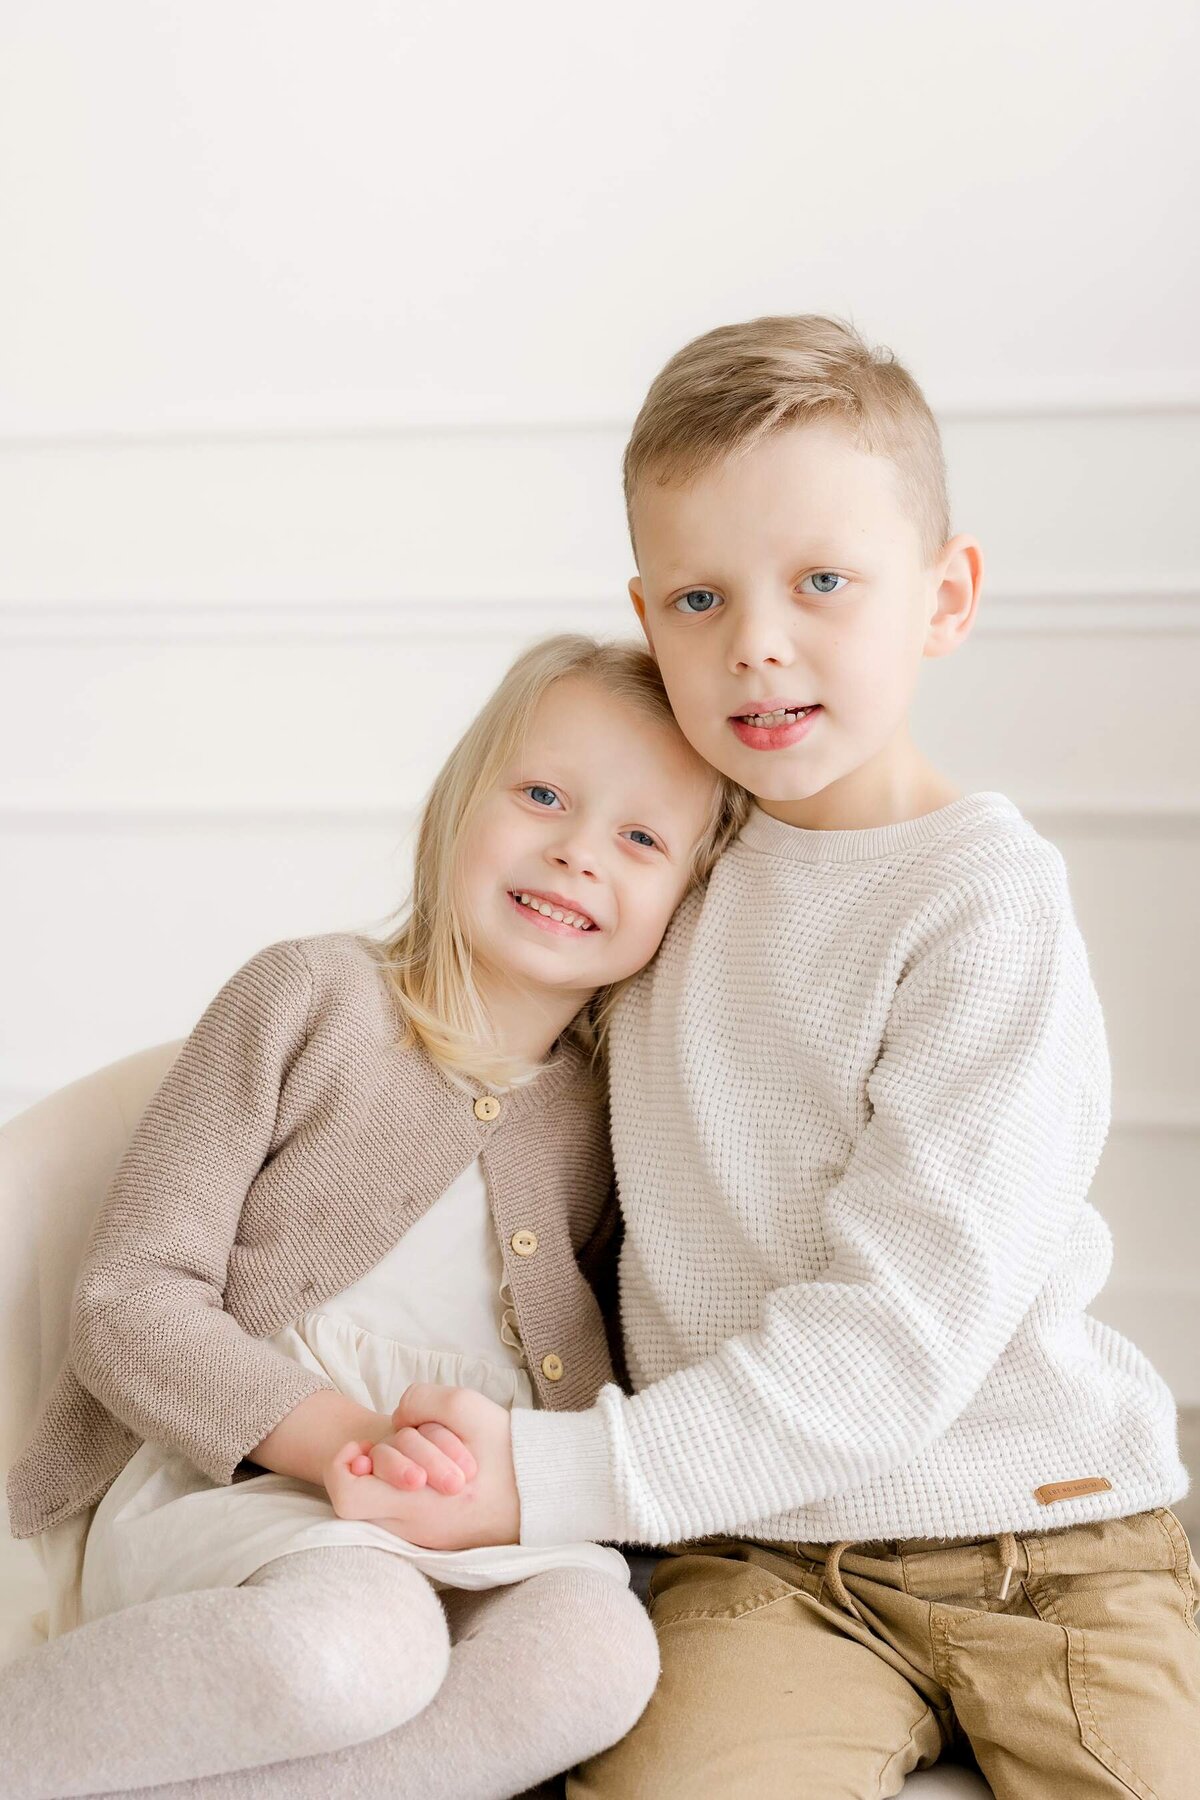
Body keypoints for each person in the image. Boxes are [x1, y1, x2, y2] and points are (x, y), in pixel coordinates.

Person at [381, 317, 1200, 1797]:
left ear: (944, 599)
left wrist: (543, 1473)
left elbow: (894, 1342)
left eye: (823, 582)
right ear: (645, 617)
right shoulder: (672, 867)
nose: (756, 640)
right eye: (700, 597)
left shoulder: (982, 908)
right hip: (763, 1552)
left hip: (1046, 1528)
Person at [1, 633, 744, 1800]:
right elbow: (127, 1300)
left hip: (493, 1510)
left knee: (600, 1659)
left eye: (640, 839)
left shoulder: (622, 1111)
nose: (574, 851)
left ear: (687, 905)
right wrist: (339, 1442)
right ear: (459, 806)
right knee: (365, 1642)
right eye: (543, 794)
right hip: (247, 1486)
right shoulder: (309, 996)